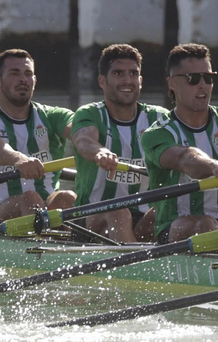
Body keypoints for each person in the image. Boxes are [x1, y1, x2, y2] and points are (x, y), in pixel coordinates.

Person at [140, 43, 218, 242]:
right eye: (193, 79)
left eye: (208, 78)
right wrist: (215, 166)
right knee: (205, 225)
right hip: (177, 226)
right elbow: (184, 158)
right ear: (172, 84)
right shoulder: (157, 133)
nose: (202, 85)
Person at [0, 49, 77, 224]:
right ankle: (45, 237)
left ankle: (63, 239)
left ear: (34, 81)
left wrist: (95, 148)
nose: (23, 79)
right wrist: (18, 159)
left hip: (46, 203)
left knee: (67, 197)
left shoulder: (53, 116)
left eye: (28, 74)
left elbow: (80, 132)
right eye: (15, 73)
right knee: (30, 198)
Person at [70, 44, 171, 243]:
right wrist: (100, 152)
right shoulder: (90, 113)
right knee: (119, 212)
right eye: (118, 73)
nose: (127, 80)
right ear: (102, 81)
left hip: (141, 215)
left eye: (133, 74)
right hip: (90, 216)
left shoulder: (159, 118)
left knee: (167, 211)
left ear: (140, 81)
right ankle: (135, 261)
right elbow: (84, 140)